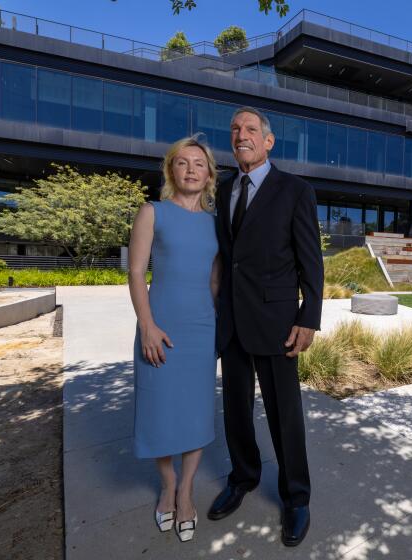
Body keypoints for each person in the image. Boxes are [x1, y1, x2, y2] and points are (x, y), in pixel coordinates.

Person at [208, 107, 323, 547]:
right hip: (232, 320)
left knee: (284, 415)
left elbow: (310, 259)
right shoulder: (223, 190)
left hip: (277, 322)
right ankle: (243, 477)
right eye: (235, 129)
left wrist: (308, 317)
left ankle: (296, 497)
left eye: (251, 129)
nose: (242, 135)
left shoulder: (295, 190)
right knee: (235, 407)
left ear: (268, 141)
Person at [128, 136, 221, 543]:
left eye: (198, 164)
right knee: (161, 409)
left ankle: (186, 491)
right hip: (160, 326)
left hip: (202, 328)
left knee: (196, 411)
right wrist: (146, 324)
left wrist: (215, 319)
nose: (190, 170)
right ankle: (167, 485)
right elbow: (135, 273)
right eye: (182, 163)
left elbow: (216, 277)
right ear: (171, 171)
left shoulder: (216, 222)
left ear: (209, 174)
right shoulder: (152, 212)